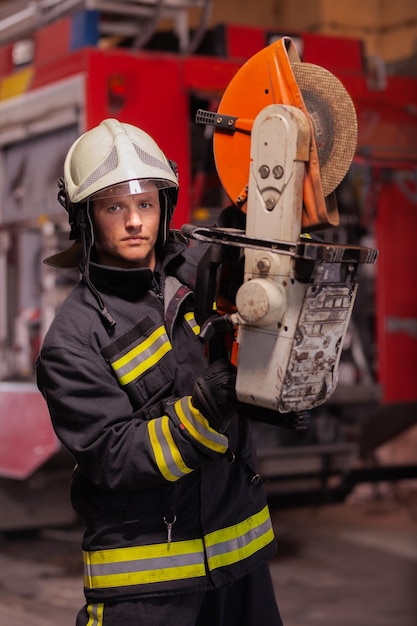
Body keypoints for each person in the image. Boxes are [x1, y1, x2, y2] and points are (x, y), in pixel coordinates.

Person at [36, 118, 284, 626]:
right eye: (114, 207)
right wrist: (203, 412)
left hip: (241, 566)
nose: (134, 221)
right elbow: (113, 456)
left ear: (164, 208)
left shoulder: (196, 274)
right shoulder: (74, 337)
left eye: (145, 204)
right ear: (86, 219)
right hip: (148, 589)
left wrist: (275, 398)